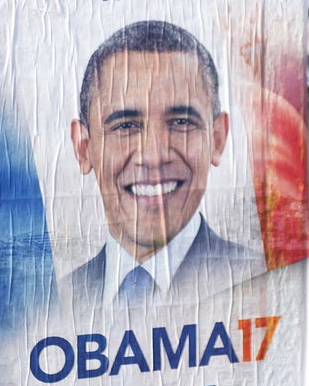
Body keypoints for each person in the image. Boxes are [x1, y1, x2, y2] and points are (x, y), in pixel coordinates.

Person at [66, 20, 264, 309]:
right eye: (125, 126)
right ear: (84, 148)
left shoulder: (261, 282)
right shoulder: (55, 302)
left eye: (182, 122)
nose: (154, 156)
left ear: (217, 138)